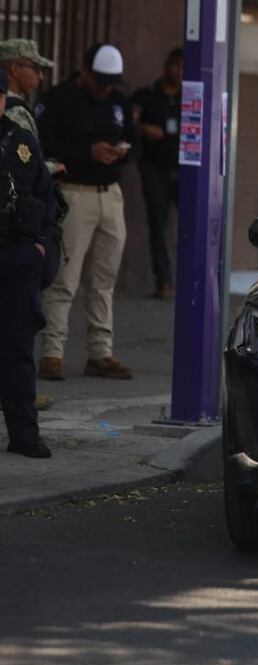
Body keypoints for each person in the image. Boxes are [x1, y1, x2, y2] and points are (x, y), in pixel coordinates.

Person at [36, 43, 135, 381]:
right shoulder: (59, 99)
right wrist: (86, 152)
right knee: (65, 277)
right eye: (101, 80)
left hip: (111, 194)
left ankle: (100, 352)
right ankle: (52, 352)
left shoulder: (118, 100)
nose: (106, 87)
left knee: (104, 279)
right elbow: (43, 145)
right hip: (75, 192)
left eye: (111, 81)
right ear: (84, 70)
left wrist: (121, 152)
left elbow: (132, 140)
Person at [0, 38, 64, 412]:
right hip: (15, 239)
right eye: (33, 67)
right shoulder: (17, 116)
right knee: (18, 330)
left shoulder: (24, 111)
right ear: (14, 69)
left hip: (22, 240)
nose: (40, 74)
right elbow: (29, 170)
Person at [132, 47, 182, 300]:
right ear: (166, 66)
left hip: (185, 172)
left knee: (192, 225)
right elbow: (130, 119)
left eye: (184, 67)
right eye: (175, 65)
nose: (179, 71)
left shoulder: (190, 98)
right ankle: (164, 281)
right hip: (155, 170)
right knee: (158, 227)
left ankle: (188, 280)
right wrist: (143, 128)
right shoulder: (148, 95)